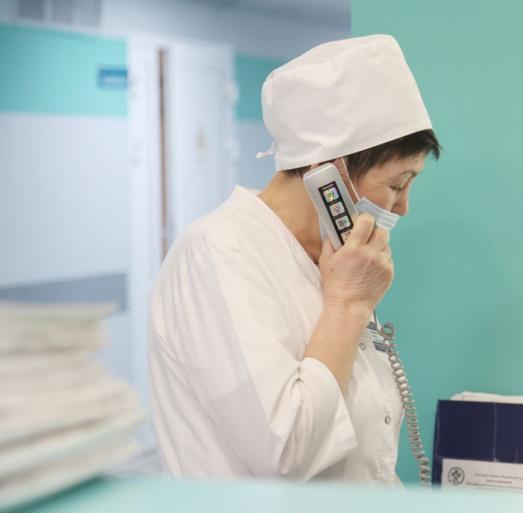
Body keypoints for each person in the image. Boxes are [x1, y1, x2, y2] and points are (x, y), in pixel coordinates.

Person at [148, 34, 441, 484]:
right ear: (329, 172)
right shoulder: (218, 251)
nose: (403, 208)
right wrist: (348, 306)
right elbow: (285, 451)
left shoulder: (334, 258)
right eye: (397, 184)